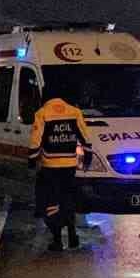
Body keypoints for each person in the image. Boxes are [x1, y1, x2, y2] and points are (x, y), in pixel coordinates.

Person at [29, 95, 95, 251]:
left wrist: (31, 159)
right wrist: (88, 156)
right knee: (68, 199)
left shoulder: (42, 113)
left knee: (51, 202)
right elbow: (85, 135)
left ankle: (57, 239)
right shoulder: (75, 112)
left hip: (50, 166)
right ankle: (73, 236)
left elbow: (36, 140)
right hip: (69, 166)